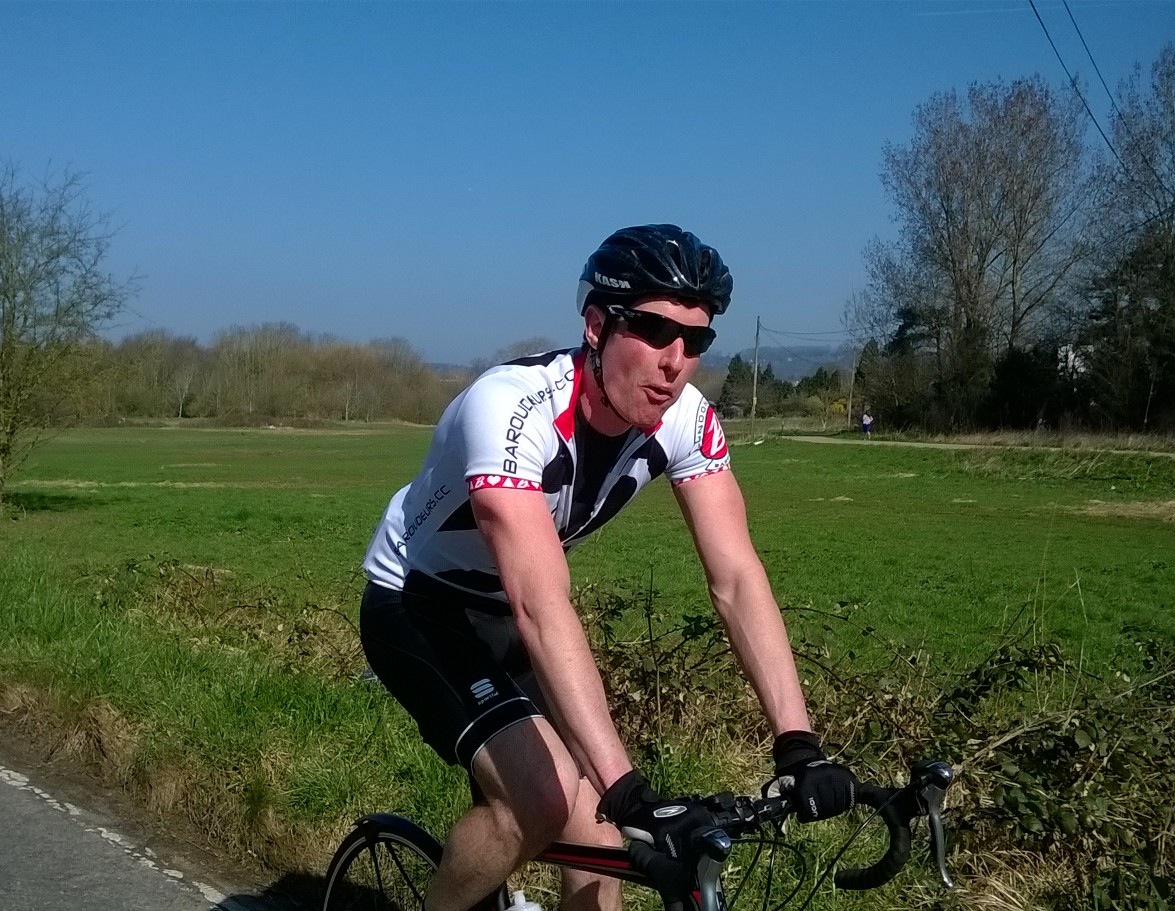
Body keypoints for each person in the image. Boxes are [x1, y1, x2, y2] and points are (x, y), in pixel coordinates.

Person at [359, 225, 856, 911]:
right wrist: (625, 788)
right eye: (653, 331)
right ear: (596, 325)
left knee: (602, 845)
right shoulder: (510, 407)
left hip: (509, 614)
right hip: (420, 603)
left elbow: (737, 579)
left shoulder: (688, 420)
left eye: (696, 340)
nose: (675, 362)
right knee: (539, 799)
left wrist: (797, 743)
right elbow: (541, 603)